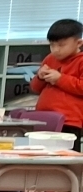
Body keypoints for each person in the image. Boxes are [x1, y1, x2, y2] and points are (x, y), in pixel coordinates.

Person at [31, 17, 83, 150]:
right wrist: (39, 77)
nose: (55, 50)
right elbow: (35, 89)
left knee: (65, 158)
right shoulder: (50, 59)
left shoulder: (80, 61)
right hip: (43, 118)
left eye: (61, 45)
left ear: (78, 43)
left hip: (68, 121)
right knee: (40, 155)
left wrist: (59, 79)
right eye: (52, 45)